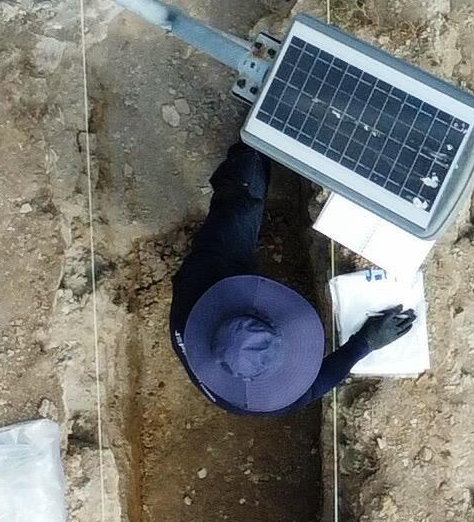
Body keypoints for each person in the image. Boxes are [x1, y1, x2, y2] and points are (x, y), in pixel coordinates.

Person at [172, 141, 418, 414]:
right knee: (238, 217)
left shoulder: (193, 292)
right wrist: (365, 343)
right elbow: (315, 386)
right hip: (218, 286)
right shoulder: (267, 402)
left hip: (211, 272)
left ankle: (252, 150)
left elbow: (220, 242)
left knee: (239, 206)